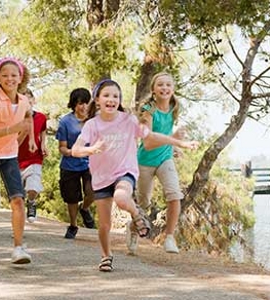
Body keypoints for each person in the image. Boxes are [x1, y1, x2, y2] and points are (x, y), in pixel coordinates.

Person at [71, 79, 197, 272]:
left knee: (122, 197)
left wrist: (179, 143)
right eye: (106, 95)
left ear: (119, 100)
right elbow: (76, 150)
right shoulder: (92, 125)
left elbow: (151, 136)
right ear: (97, 100)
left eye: (115, 96)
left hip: (125, 172)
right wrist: (92, 149)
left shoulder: (128, 120)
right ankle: (106, 256)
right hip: (101, 178)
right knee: (104, 224)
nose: (111, 99)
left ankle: (137, 215)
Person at [0, 57, 36, 264]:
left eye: (14, 75)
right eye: (5, 75)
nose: (10, 79)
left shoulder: (24, 101)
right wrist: (11, 130)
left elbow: (26, 121)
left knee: (18, 200)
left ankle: (18, 248)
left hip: (9, 157)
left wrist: (26, 140)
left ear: (20, 78)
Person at [128, 72, 187, 255]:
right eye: (160, 84)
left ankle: (169, 238)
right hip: (145, 161)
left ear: (173, 89)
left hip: (165, 159)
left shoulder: (175, 107)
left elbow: (166, 132)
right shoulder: (149, 110)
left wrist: (175, 147)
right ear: (153, 89)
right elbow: (148, 142)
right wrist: (173, 140)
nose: (165, 88)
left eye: (168, 85)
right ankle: (133, 229)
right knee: (143, 203)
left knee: (174, 194)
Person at [55, 88, 95, 239]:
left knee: (93, 190)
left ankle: (84, 209)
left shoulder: (94, 120)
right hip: (70, 165)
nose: (83, 107)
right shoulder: (65, 121)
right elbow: (62, 148)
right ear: (73, 105)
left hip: (90, 164)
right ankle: (73, 225)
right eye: (79, 104)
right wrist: (74, 152)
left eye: (86, 103)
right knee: (71, 198)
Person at [17, 88, 47, 224]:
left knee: (33, 186)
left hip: (34, 158)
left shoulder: (41, 117)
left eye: (28, 100)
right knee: (17, 194)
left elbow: (42, 131)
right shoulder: (15, 118)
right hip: (16, 159)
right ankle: (18, 221)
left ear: (33, 101)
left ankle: (32, 202)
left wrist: (43, 145)